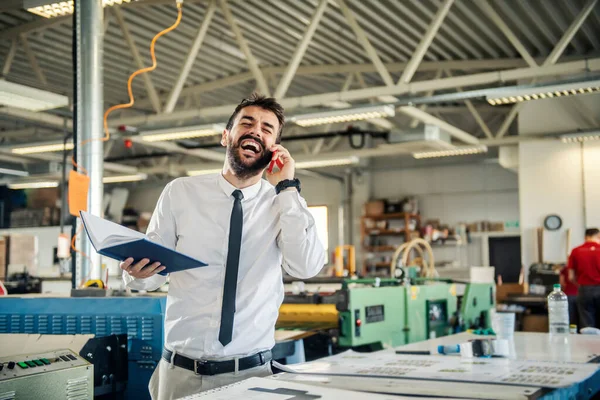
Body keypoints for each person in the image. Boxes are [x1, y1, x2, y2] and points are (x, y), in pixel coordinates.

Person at [120, 93, 326, 399]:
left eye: (268, 129)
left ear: (274, 150)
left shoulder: (284, 203)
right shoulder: (180, 193)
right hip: (180, 377)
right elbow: (150, 278)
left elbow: (306, 266)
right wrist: (137, 273)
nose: (257, 130)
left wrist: (287, 186)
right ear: (225, 136)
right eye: (247, 122)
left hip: (252, 377)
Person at [568, 228, 600, 329]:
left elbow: (571, 276)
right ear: (598, 236)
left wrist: (581, 284)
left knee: (587, 323)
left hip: (584, 289)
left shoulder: (576, 251)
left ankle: (587, 344)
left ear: (585, 237)